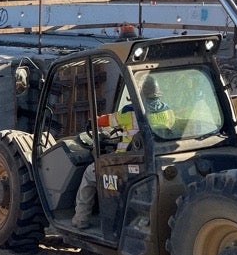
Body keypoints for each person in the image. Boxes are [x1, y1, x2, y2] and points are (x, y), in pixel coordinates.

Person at [71, 76, 173, 229]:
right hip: (151, 160)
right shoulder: (168, 111)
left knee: (89, 174)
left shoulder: (130, 111)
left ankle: (81, 219)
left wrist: (95, 119)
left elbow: (106, 121)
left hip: (125, 162)